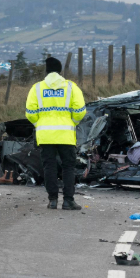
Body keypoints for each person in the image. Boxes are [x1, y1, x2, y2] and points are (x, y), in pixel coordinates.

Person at [25, 56, 87, 210]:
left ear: (46, 71)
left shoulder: (37, 88)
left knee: (49, 167)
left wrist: (39, 123)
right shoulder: (71, 87)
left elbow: (30, 112)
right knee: (68, 167)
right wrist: (72, 122)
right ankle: (68, 201)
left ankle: (52, 200)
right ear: (60, 71)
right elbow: (80, 111)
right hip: (66, 135)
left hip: (45, 135)